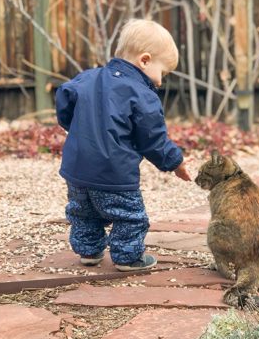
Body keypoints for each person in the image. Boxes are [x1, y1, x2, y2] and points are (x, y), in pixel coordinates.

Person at [55, 18, 191, 271]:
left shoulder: (86, 78)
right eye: (162, 72)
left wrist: (73, 127)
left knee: (83, 213)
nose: (160, 82)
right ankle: (127, 258)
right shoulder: (142, 95)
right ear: (145, 60)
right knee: (129, 216)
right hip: (115, 174)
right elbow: (153, 139)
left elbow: (64, 98)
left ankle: (89, 252)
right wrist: (176, 162)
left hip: (76, 171)